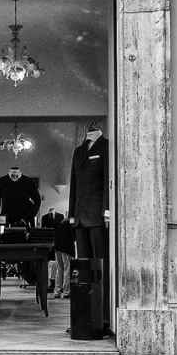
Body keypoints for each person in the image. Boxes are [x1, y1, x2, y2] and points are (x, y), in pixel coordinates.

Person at [68, 122, 110, 326]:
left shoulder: (106, 146)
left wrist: (107, 210)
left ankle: (103, 315)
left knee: (100, 265)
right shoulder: (78, 151)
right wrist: (71, 214)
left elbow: (108, 179)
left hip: (97, 216)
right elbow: (74, 183)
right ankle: (84, 317)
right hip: (80, 216)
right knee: (83, 268)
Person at [53, 216, 75, 298]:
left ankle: (57, 291)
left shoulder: (63, 221)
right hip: (67, 248)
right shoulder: (71, 222)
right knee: (67, 270)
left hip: (58, 247)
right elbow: (73, 236)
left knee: (59, 270)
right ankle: (66, 291)